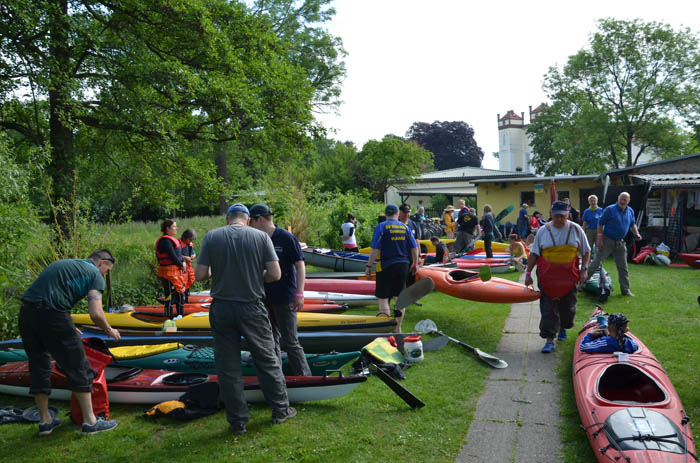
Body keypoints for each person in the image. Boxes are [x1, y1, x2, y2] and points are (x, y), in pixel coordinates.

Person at [195, 203, 295, 435]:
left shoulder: (212, 237)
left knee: (228, 366)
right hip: (251, 307)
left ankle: (238, 422)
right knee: (267, 359)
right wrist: (256, 275)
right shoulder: (261, 238)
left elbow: (200, 275)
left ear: (227, 219)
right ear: (248, 220)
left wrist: (216, 271)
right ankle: (280, 410)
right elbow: (275, 274)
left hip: (221, 308)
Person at [18, 249, 121, 436]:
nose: (105, 275)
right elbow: (96, 313)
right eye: (108, 270)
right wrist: (109, 329)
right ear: (102, 262)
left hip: (26, 313)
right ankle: (90, 423)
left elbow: (48, 296)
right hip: (52, 315)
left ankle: (45, 422)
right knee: (79, 365)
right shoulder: (94, 274)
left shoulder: (64, 263)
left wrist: (68, 324)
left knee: (39, 365)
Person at [248, 203, 311, 377]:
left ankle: (305, 378)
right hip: (263, 298)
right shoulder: (257, 239)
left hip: (285, 297)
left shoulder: (286, 237)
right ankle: (276, 379)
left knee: (291, 341)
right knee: (270, 341)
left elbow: (300, 265)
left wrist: (300, 294)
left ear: (259, 219)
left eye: (251, 221)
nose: (249, 226)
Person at [525, 200, 590, 354]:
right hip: (548, 277)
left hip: (569, 277)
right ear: (551, 215)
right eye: (556, 216)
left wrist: (584, 270)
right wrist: (528, 274)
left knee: (568, 307)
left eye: (562, 216)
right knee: (548, 308)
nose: (559, 219)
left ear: (568, 214)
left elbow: (586, 251)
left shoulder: (576, 229)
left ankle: (563, 327)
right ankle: (549, 339)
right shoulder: (542, 231)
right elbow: (534, 254)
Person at [365, 204, 419, 333]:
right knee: (399, 297)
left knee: (383, 298)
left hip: (385, 266)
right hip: (403, 265)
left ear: (385, 214)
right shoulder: (405, 227)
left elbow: (375, 249)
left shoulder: (382, 226)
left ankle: (385, 327)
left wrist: (368, 266)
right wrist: (415, 263)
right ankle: (398, 328)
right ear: (397, 214)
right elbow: (414, 247)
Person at [587, 192, 643, 297]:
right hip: (607, 240)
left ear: (629, 200)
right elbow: (600, 223)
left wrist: (637, 233)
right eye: (621, 199)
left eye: (625, 199)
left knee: (623, 267)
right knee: (596, 262)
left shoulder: (630, 211)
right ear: (618, 199)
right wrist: (599, 239)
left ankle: (625, 290)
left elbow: (632, 224)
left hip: (620, 242)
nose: (623, 201)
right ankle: (580, 284)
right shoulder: (609, 209)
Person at [155, 219, 186, 318]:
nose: (176, 228)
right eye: (174, 227)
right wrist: (181, 264)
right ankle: (169, 317)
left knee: (180, 294)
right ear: (167, 229)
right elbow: (172, 256)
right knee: (170, 295)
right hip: (168, 272)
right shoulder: (165, 241)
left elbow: (178, 255)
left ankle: (180, 315)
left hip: (175, 272)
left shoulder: (171, 240)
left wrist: (183, 262)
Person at [399, 203, 420, 287]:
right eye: (404, 212)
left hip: (412, 257)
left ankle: (411, 298)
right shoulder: (396, 224)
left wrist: (419, 256)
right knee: (401, 281)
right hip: (401, 257)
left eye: (408, 212)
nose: (406, 215)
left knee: (411, 280)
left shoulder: (413, 224)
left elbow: (416, 240)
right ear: (399, 213)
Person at [180, 228, 197, 303]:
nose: (191, 241)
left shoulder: (190, 244)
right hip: (181, 267)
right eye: (190, 239)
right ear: (185, 237)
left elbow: (193, 251)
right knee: (183, 282)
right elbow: (174, 255)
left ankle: (187, 297)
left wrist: (194, 255)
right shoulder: (178, 244)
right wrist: (185, 257)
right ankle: (182, 299)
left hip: (188, 266)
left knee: (190, 280)